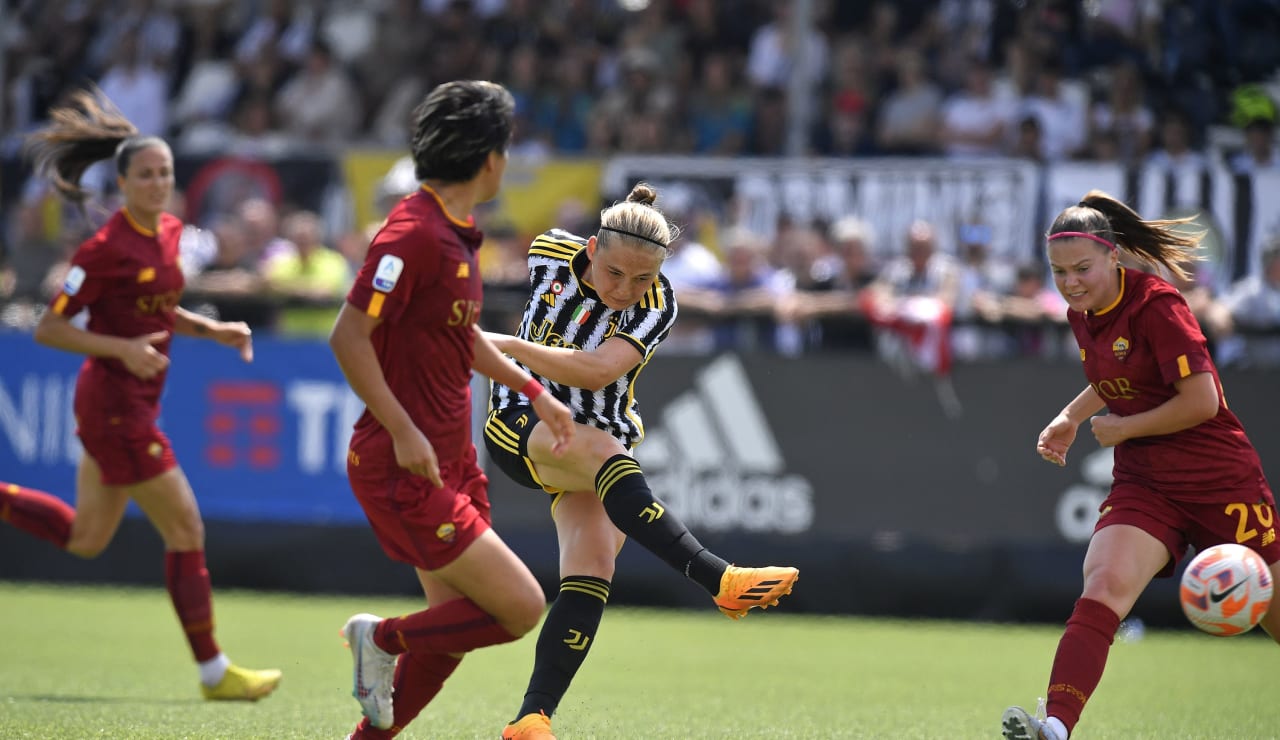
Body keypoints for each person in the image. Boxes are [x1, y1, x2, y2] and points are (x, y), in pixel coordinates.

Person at [483, 182, 800, 740]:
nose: (627, 290)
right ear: (589, 250)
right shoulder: (547, 251)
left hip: (597, 437)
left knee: (593, 566)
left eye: (642, 278)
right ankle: (719, 578)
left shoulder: (660, 304)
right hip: (520, 422)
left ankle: (530, 719)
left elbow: (596, 371)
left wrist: (503, 346)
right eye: (615, 274)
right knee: (606, 454)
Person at [0, 90, 282, 701]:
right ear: (122, 183)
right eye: (145, 175)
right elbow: (50, 327)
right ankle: (215, 672)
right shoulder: (103, 250)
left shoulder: (170, 232)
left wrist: (212, 329)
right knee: (186, 528)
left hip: (132, 404)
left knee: (86, 538)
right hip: (114, 409)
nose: (157, 184)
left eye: (165, 174)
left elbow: (156, 308)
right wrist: (121, 349)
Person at [327, 80, 576, 740]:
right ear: (491, 160)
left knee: (454, 632)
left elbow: (458, 336)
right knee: (520, 607)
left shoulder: (455, 232)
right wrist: (405, 432)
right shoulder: (411, 235)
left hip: (448, 461)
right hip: (405, 464)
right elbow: (347, 338)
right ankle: (379, 637)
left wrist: (534, 392)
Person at [1000, 191, 1280, 740]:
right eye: (1059, 272)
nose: (1070, 282)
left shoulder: (1159, 305)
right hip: (1146, 481)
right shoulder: (1082, 311)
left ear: (1114, 257)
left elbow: (1203, 402)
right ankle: (1054, 728)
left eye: (1082, 268)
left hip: (1219, 479)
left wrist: (1123, 427)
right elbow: (1117, 372)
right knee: (1103, 584)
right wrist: (1071, 416)